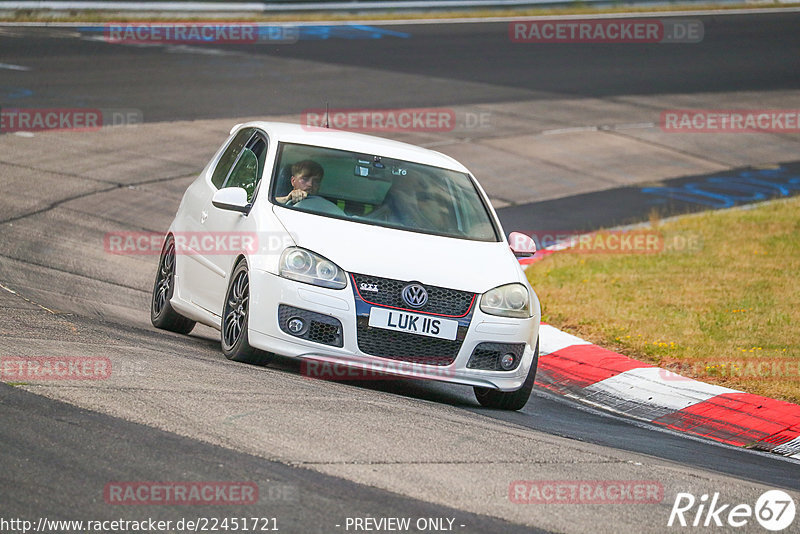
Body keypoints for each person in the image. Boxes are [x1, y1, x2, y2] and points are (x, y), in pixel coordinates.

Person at [275, 159, 343, 215]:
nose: (310, 184)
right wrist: (287, 199)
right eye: (305, 179)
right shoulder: (277, 204)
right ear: (293, 181)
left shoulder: (326, 207)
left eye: (316, 181)